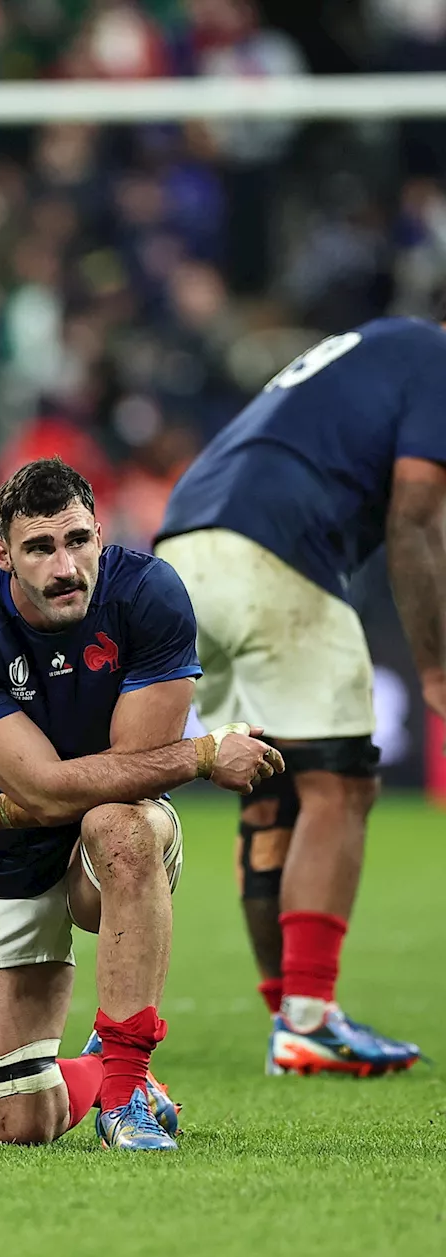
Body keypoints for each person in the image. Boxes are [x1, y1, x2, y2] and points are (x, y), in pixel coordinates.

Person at [0, 459, 282, 1151]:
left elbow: (130, 778)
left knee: (116, 822)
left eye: (78, 541)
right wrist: (205, 755)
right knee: (15, 1125)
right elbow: (44, 789)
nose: (65, 567)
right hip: (1, 860)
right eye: (39, 548)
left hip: (101, 841)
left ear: (100, 535)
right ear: (3, 555)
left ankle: (125, 1089)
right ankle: (98, 1066)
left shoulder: (148, 594)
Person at [155, 318, 442, 1075]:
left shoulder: (379, 345)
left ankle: (290, 1012)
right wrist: (438, 667)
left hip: (181, 549)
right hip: (274, 550)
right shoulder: (437, 359)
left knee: (268, 789)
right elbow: (416, 516)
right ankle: (308, 1019)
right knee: (339, 785)